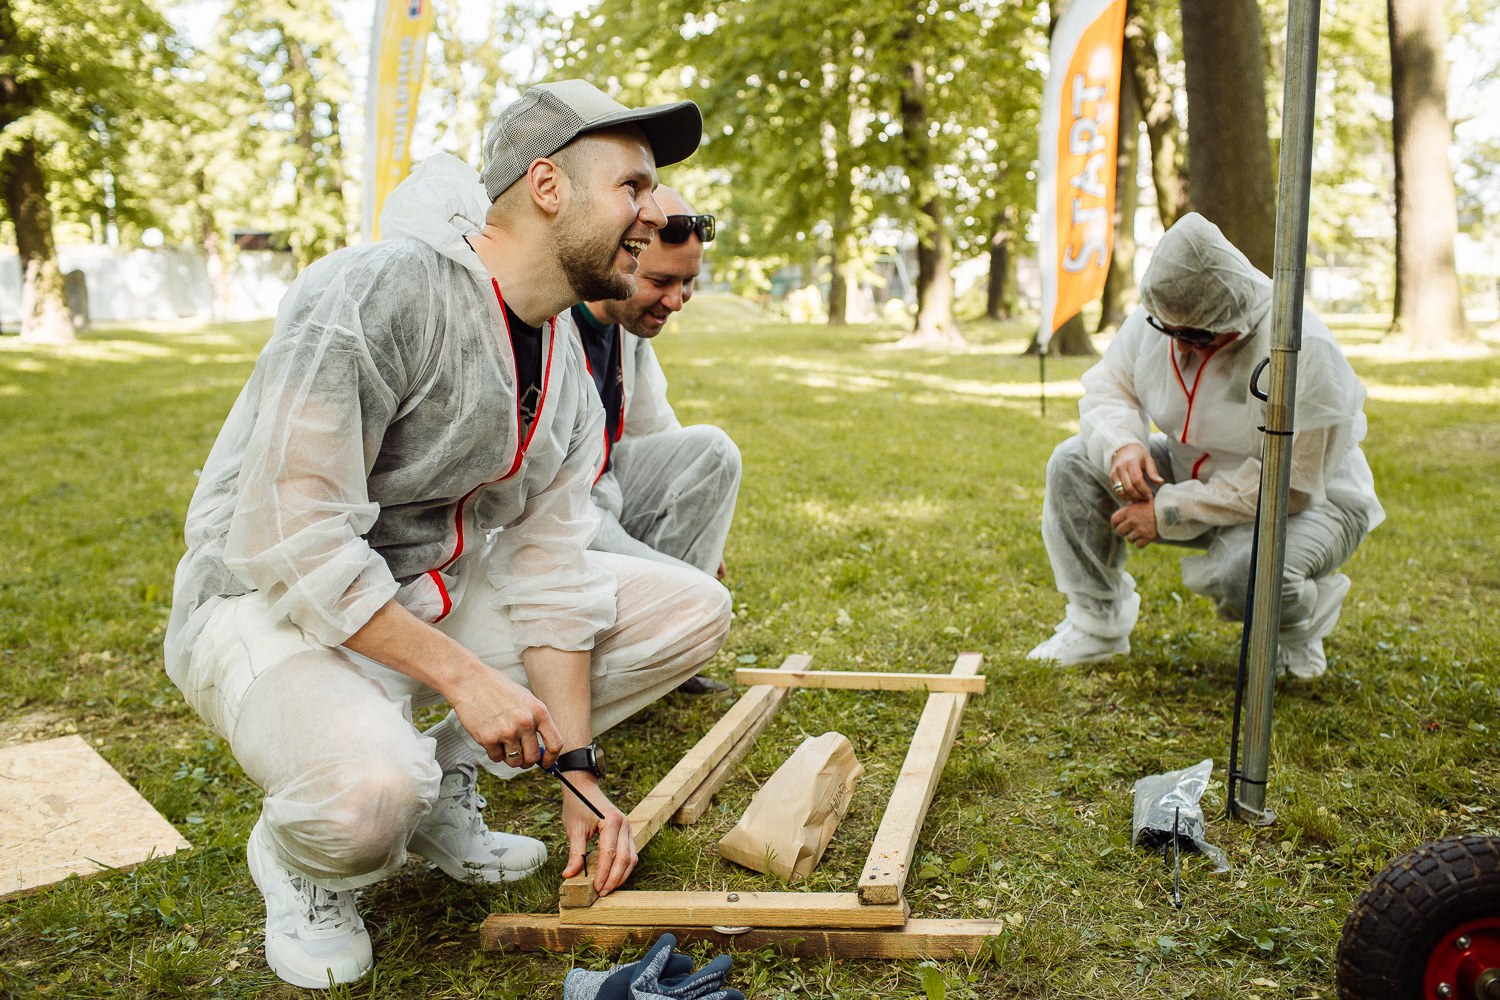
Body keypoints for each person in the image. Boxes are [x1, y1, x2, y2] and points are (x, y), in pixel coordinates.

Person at [164, 81, 732, 989]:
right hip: (263, 607)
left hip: (421, 602)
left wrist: (577, 771)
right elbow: (287, 536)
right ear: (548, 185)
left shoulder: (565, 370)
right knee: (366, 796)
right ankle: (303, 856)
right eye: (632, 186)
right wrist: (465, 677)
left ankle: (440, 793)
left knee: (688, 610)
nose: (653, 213)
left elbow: (550, 576)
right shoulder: (378, 289)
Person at [1027, 213, 1383, 677]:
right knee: (1073, 461)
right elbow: (1110, 385)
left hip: (1313, 501)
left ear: (1233, 317)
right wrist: (1123, 446)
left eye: (1196, 335)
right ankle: (1097, 627)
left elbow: (1293, 482)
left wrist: (1170, 511)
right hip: (1191, 471)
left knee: (1248, 568)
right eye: (1169, 331)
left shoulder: (1303, 347)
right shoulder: (1164, 317)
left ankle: (1296, 633)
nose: (1181, 347)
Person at [569, 186, 742, 695]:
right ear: (619, 258)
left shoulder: (625, 329)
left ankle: (667, 648)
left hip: (607, 491)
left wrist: (703, 523)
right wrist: (688, 582)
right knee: (698, 595)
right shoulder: (557, 324)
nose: (676, 301)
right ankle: (652, 643)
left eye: (689, 282)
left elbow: (658, 430)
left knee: (713, 451)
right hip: (557, 512)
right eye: (661, 281)